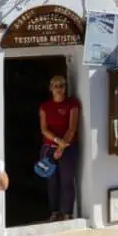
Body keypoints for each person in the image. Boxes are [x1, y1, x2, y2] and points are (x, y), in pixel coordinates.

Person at [39, 75, 80, 221]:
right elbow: (44, 129)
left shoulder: (72, 104)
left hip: (68, 147)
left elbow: (72, 128)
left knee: (67, 181)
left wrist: (61, 148)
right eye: (55, 85)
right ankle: (54, 212)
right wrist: (57, 142)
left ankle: (67, 212)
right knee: (51, 181)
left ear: (65, 87)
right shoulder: (45, 107)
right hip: (49, 148)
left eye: (61, 85)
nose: (58, 89)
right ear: (50, 88)